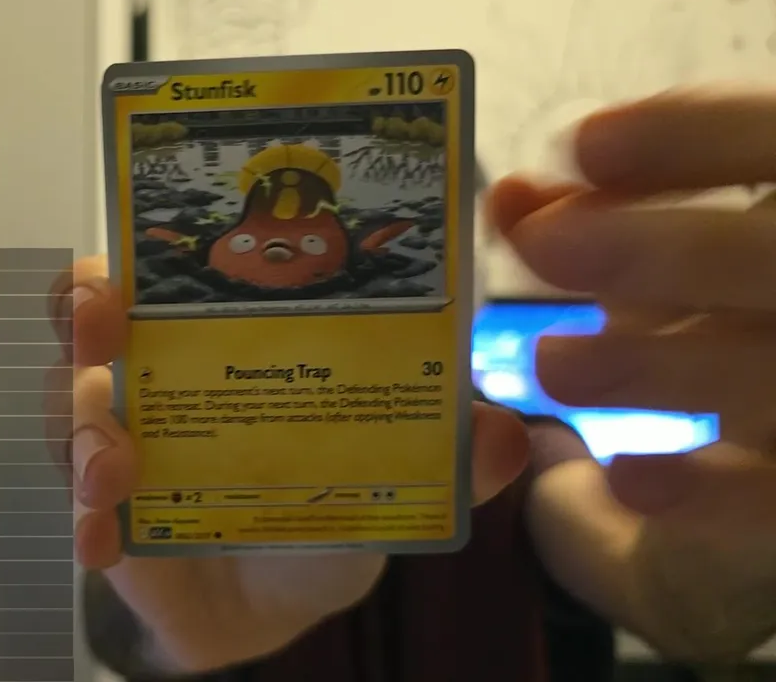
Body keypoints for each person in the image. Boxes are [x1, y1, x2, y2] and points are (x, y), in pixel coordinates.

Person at [44, 86, 776, 681]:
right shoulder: (188, 438)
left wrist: (760, 476)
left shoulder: (518, 457)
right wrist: (180, 620)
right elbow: (119, 629)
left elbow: (683, 603)